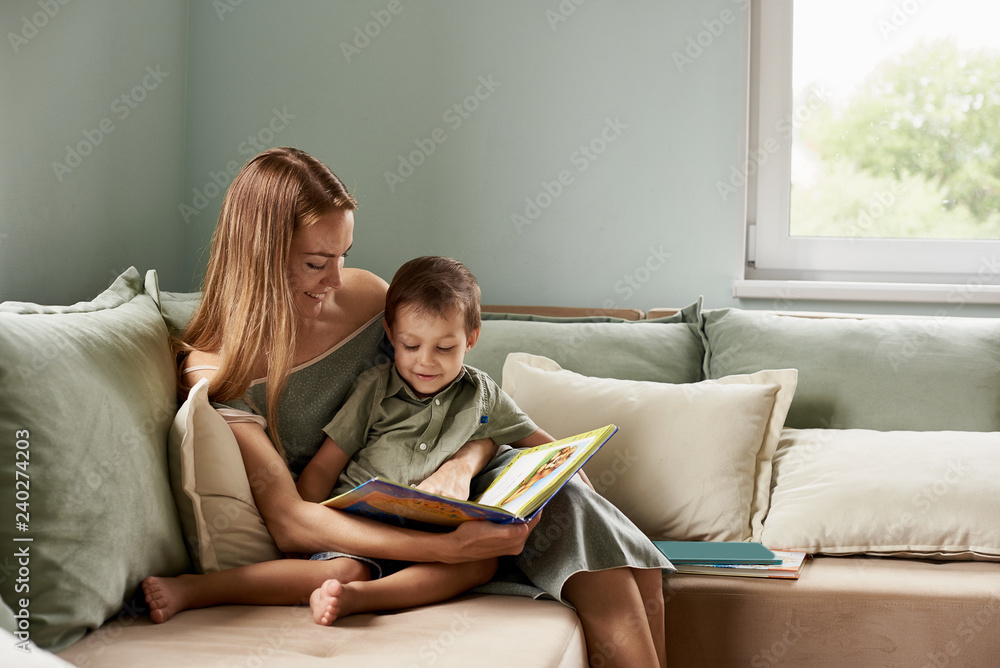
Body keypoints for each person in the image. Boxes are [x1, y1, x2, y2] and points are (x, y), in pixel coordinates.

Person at [145, 147, 670, 667]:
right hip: (364, 528)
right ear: (259, 256)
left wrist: (462, 463)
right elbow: (290, 521)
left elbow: (448, 396)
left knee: (583, 509)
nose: (335, 278)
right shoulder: (219, 369)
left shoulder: (368, 298)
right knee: (584, 541)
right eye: (315, 262)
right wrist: (448, 549)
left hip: (452, 494)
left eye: (343, 254)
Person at [145, 255, 560, 624]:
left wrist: (573, 474)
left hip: (437, 531)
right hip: (361, 520)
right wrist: (310, 533)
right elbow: (325, 464)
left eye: (445, 347)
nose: (425, 362)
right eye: (410, 345)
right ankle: (194, 590)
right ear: (390, 334)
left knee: (479, 566)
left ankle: (363, 600)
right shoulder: (375, 387)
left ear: (471, 338)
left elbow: (545, 447)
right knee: (342, 570)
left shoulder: (484, 395)